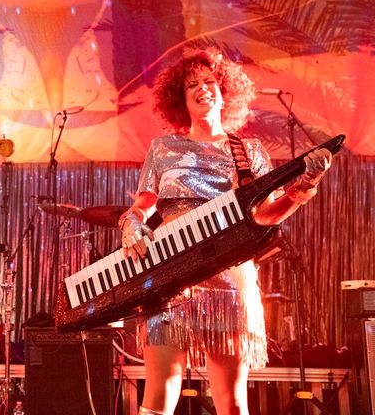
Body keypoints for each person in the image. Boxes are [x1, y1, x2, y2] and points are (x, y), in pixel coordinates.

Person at [119, 47, 332, 415]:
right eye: (192, 85)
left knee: (232, 403)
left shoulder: (248, 151)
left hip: (229, 282)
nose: (203, 88)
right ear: (180, 99)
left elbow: (265, 216)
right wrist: (131, 224)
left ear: (224, 91)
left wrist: (305, 185)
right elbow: (144, 205)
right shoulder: (163, 148)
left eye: (210, 81)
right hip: (169, 274)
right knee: (158, 397)